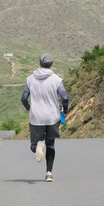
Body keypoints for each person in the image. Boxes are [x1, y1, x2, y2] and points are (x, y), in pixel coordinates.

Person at [21, 54, 68, 182]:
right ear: (51, 64)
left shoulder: (30, 79)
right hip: (52, 117)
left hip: (36, 117)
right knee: (51, 144)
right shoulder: (56, 80)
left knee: (34, 145)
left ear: (40, 63)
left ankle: (37, 145)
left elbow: (24, 97)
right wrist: (65, 111)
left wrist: (29, 108)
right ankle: (49, 173)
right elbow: (65, 97)